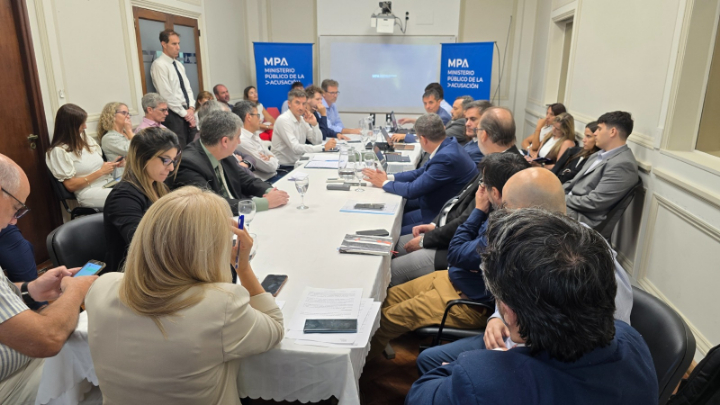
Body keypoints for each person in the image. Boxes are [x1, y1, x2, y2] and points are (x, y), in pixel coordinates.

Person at [407, 209, 657, 405]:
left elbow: (418, 396)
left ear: (510, 313)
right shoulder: (633, 341)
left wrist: (457, 369)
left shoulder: (483, 380)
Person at [415, 168, 634, 374]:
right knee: (429, 360)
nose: (500, 215)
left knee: (443, 371)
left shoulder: (589, 256)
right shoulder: (523, 245)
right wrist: (496, 318)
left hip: (550, 365)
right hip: (512, 340)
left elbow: (608, 338)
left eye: (505, 208)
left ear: (521, 213)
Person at [86, 186, 284, 404]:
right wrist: (243, 268)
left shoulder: (101, 288)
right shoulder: (222, 304)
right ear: (213, 248)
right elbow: (274, 327)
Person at [367, 152, 528, 360]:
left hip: (466, 301)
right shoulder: (501, 211)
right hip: (453, 278)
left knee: (384, 320)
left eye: (483, 184)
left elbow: (455, 251)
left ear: (495, 193)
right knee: (384, 300)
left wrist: (478, 210)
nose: (480, 188)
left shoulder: (505, 229)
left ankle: (357, 374)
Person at [0, 153, 98, 405]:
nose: (14, 221)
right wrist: (75, 291)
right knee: (103, 371)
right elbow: (48, 339)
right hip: (11, 381)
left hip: (22, 361)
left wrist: (30, 289)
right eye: (16, 208)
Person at [391, 106, 526, 286]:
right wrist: (434, 225)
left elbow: (471, 219)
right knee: (391, 246)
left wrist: (427, 240)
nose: (469, 126)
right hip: (448, 233)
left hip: (458, 250)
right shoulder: (496, 159)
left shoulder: (508, 169)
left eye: (476, 126)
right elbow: (460, 200)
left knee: (391, 270)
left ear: (484, 135)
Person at [363, 114, 477, 235]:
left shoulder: (446, 157)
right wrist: (389, 177)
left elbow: (412, 190)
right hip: (434, 208)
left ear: (423, 139)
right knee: (391, 221)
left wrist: (384, 183)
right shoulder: (449, 144)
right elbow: (420, 172)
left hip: (440, 219)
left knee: (391, 232)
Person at [168, 110, 289, 213]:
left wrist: (271, 192)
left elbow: (246, 180)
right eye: (238, 137)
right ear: (225, 141)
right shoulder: (188, 164)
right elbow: (212, 205)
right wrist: (265, 203)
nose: (239, 142)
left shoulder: (222, 152)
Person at [103, 127, 180, 274]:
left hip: (156, 268)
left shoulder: (159, 187)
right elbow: (145, 246)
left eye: (173, 161)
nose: (171, 168)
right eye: (166, 160)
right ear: (143, 157)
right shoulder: (123, 197)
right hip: (133, 276)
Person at [564, 111, 639, 228]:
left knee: (537, 203)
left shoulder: (623, 164)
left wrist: (560, 198)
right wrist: (554, 192)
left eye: (599, 129)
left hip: (582, 218)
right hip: (570, 205)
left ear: (612, 132)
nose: (595, 133)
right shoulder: (598, 154)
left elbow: (594, 202)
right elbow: (572, 183)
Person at [46, 104, 122, 208]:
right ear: (70, 127)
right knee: (126, 197)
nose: (85, 126)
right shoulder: (58, 151)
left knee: (139, 188)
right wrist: (101, 172)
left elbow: (93, 166)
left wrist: (112, 164)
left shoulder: (86, 139)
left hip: (108, 183)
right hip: (88, 191)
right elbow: (71, 186)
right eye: (81, 124)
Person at [150, 29, 197, 148]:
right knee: (180, 149)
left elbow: (187, 88)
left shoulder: (179, 65)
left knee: (193, 147)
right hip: (174, 114)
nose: (178, 47)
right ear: (164, 44)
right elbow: (166, 94)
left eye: (178, 43)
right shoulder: (159, 65)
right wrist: (185, 114)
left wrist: (191, 108)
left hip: (187, 111)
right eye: (174, 44)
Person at [272, 89, 337, 170]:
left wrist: (314, 124)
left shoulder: (302, 119)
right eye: (297, 103)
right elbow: (295, 148)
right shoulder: (283, 120)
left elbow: (317, 141)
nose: (301, 107)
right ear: (289, 104)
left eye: (303, 104)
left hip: (298, 163)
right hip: (284, 168)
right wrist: (323, 148)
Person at [392, 95, 473, 145]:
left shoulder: (461, 124)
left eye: (455, 109)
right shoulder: (455, 121)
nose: (451, 111)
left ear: (466, 111)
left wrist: (405, 137)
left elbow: (435, 138)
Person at [232, 101, 281, 182]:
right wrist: (271, 158)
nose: (260, 119)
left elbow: (273, 158)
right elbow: (269, 167)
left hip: (274, 175)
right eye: (258, 115)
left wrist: (270, 157)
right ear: (249, 117)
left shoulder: (253, 134)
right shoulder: (242, 140)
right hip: (266, 182)